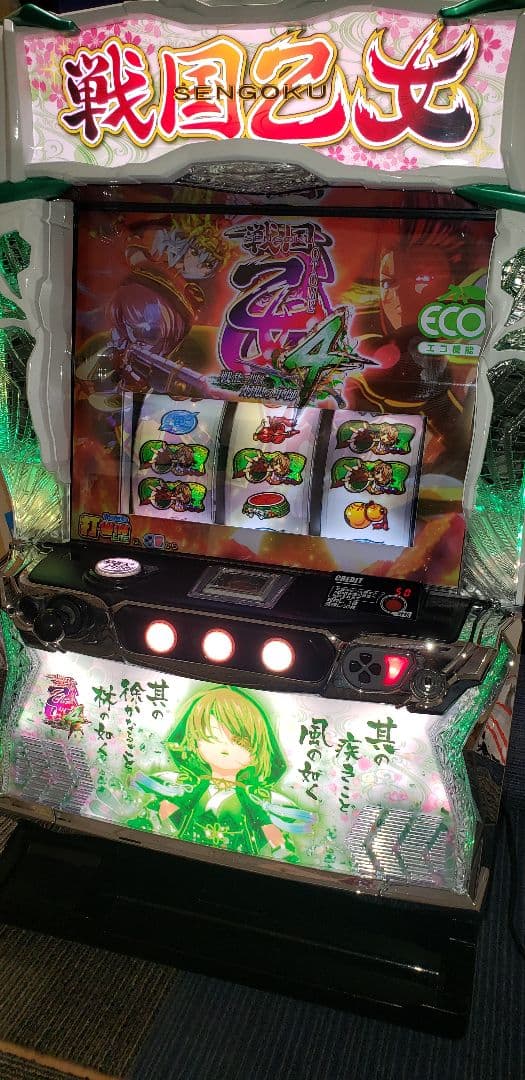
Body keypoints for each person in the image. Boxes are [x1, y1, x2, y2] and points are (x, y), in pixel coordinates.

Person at [130, 685, 315, 859]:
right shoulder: (191, 788)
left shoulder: (253, 798)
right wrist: (147, 822)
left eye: (240, 742)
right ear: (194, 741)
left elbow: (271, 830)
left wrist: (283, 853)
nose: (225, 748)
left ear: (257, 753)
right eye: (211, 736)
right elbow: (162, 811)